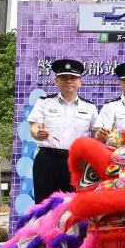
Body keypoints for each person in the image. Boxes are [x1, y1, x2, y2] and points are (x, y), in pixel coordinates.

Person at [28, 59, 99, 203]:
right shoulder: (44, 102)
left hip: (76, 162)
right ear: (56, 81)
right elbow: (35, 127)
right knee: (44, 205)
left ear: (80, 82)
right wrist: (37, 133)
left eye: (73, 78)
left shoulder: (90, 107)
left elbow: (96, 136)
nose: (69, 81)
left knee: (75, 204)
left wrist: (103, 135)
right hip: (47, 160)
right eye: (64, 78)